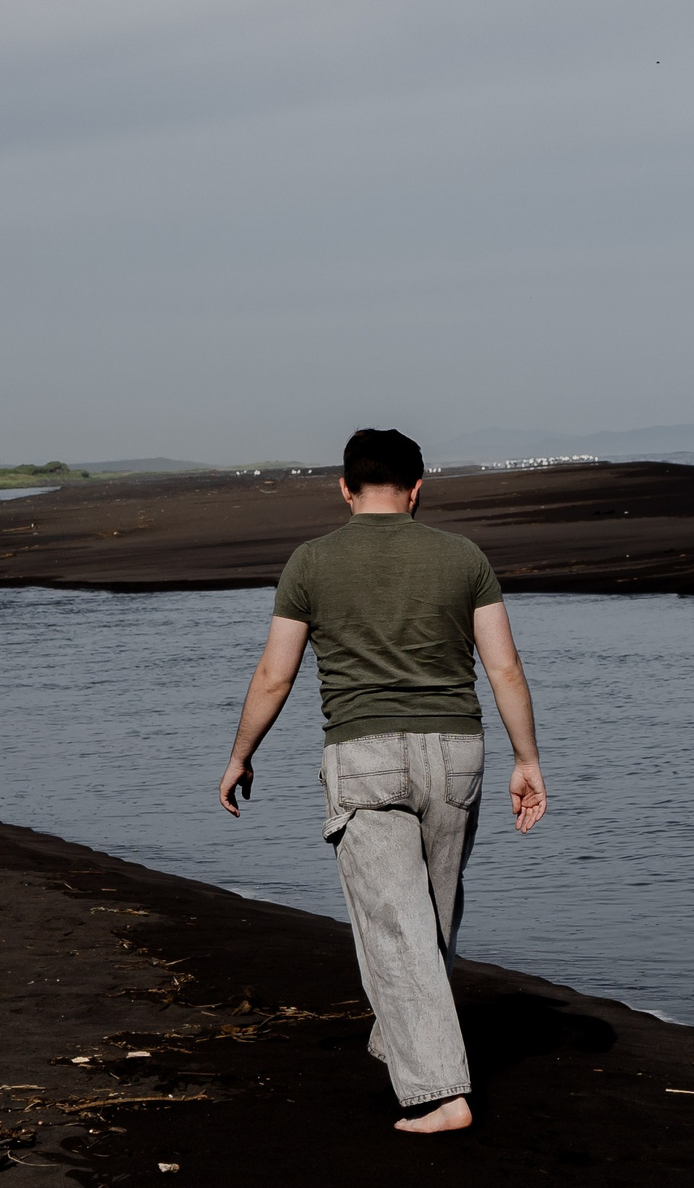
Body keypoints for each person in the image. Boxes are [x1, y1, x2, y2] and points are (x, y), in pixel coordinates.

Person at [217, 427, 547, 1134]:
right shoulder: (464, 556)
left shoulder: (311, 561)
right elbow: (505, 668)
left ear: (345, 487)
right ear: (418, 487)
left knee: (397, 924)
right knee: (432, 913)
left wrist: (242, 752)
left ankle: (441, 1092)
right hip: (456, 751)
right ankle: (406, 1038)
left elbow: (275, 673)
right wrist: (528, 759)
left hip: (364, 754)